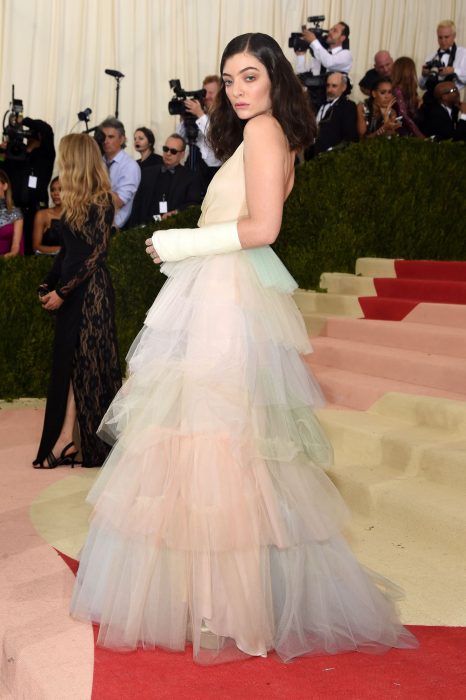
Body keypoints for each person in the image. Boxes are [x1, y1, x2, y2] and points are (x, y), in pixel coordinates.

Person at [70, 33, 417, 663]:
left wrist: (181, 245)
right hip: (225, 293)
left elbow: (263, 228)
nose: (236, 90)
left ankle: (233, 610)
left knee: (219, 446)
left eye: (249, 76)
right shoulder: (268, 132)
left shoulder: (264, 133)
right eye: (229, 79)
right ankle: (222, 605)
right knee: (221, 447)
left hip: (227, 298)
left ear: (276, 78)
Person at [33, 134, 121, 470]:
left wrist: (63, 291)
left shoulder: (101, 200)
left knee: (89, 369)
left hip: (91, 295)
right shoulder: (72, 201)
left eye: (65, 156)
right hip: (70, 292)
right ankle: (69, 439)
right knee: (70, 369)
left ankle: (83, 443)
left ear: (75, 159)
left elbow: (97, 254)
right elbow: (69, 253)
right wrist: (49, 282)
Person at [1, 117, 55, 255]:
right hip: (12, 212)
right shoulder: (14, 153)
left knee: (34, 251)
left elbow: (47, 130)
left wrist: (23, 120)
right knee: (13, 250)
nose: (30, 135)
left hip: (36, 211)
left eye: (33, 133)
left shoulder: (45, 155)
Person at [177, 74, 222, 193]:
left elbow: (216, 139)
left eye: (211, 92)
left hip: (213, 171)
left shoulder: (225, 116)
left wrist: (200, 115)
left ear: (220, 94)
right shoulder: (199, 115)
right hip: (193, 166)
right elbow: (181, 141)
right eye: (204, 92)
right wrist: (184, 119)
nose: (207, 96)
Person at [98, 117, 141, 229]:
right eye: (103, 137)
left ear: (122, 139)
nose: (105, 141)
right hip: (93, 223)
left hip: (115, 227)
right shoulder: (98, 161)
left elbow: (118, 202)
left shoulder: (130, 166)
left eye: (111, 137)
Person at [309, 71, 358, 157]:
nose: (329, 90)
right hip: (314, 157)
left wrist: (332, 152)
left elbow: (350, 137)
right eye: (328, 85)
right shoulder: (321, 104)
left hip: (334, 159)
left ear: (344, 87)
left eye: (334, 86)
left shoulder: (347, 106)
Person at [419, 20, 466, 94]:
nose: (443, 41)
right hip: (432, 97)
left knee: (452, 91)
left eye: (446, 37)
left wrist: (454, 71)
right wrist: (424, 75)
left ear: (454, 36)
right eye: (440, 37)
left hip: (452, 95)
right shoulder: (431, 57)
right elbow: (421, 86)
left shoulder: (463, 54)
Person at [391, 57, 425, 138]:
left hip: (410, 131)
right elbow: (403, 116)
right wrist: (420, 135)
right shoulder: (397, 91)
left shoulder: (410, 90)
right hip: (401, 133)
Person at [32, 176, 63, 255]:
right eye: (53, 190)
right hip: (48, 263)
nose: (56, 193)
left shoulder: (76, 216)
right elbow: (36, 247)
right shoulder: (42, 215)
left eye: (61, 189)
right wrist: (63, 250)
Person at [0, 169, 24, 257]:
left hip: (6, 263)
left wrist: (5, 258)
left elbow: (15, 248)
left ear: (5, 186)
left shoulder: (15, 213)